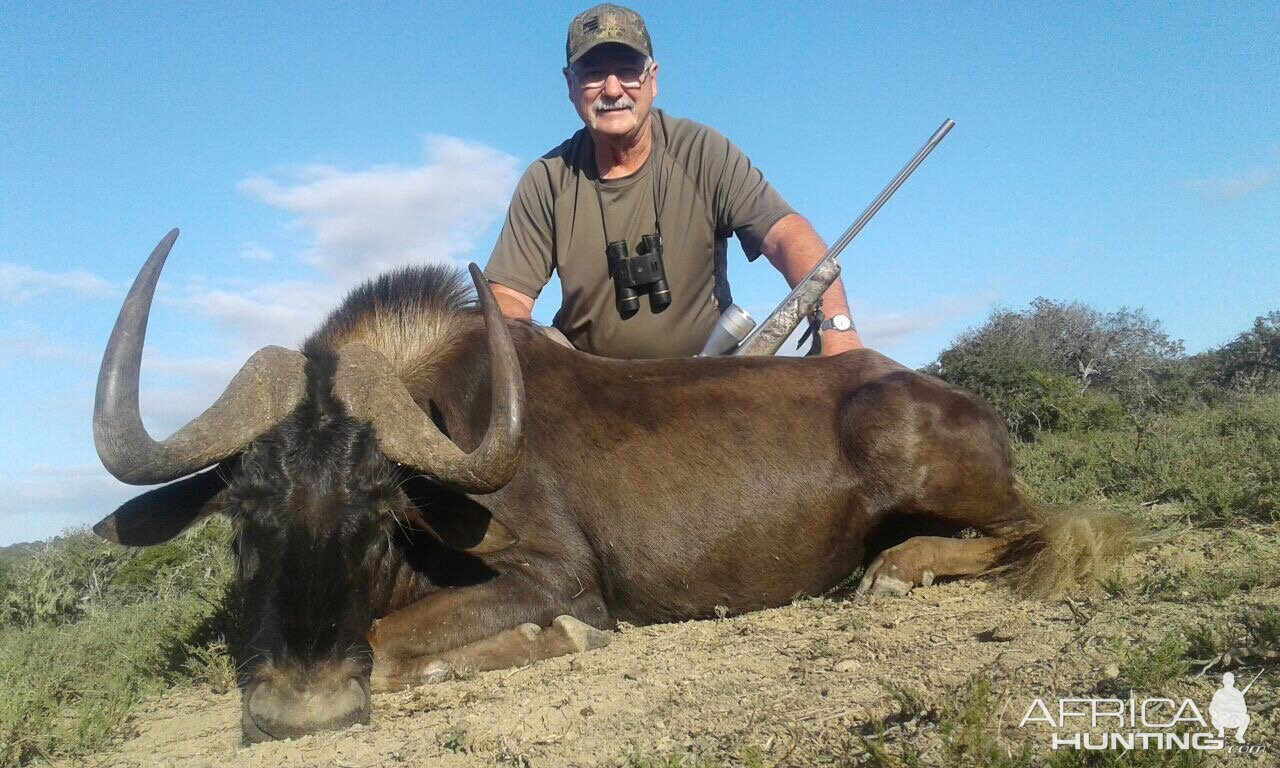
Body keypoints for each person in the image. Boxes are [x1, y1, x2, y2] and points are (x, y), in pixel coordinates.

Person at [484, 3, 862, 359]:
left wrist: (837, 326)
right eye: (594, 74)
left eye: (628, 71)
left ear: (652, 80)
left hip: (705, 379)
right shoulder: (546, 179)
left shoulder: (704, 151)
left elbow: (785, 235)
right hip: (591, 394)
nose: (613, 90)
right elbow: (507, 297)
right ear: (570, 85)